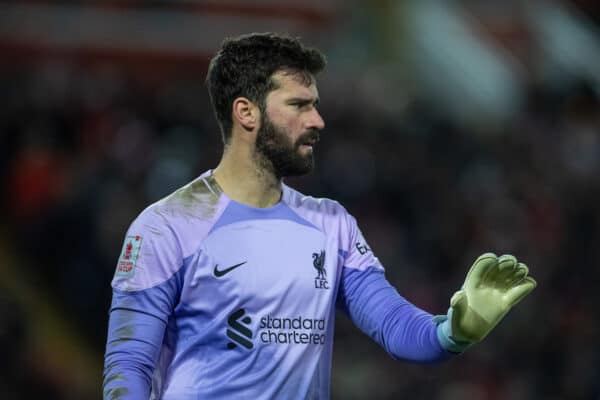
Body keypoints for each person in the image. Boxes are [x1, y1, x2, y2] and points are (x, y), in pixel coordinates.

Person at [103, 32, 536, 400]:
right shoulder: (167, 226)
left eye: (315, 104)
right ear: (246, 112)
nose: (318, 120)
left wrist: (455, 331)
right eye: (299, 105)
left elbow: (394, 325)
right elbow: (127, 367)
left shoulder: (332, 225)